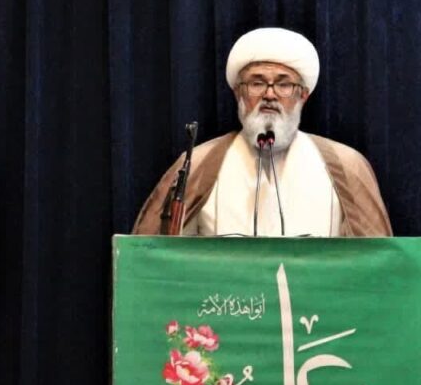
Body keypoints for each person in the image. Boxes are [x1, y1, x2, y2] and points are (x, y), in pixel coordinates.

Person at [132, 27, 392, 236]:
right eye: (257, 83)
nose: (270, 94)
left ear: (303, 95)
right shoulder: (199, 163)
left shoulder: (346, 165)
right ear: (239, 93)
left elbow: (376, 265)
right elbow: (155, 261)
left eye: (284, 84)